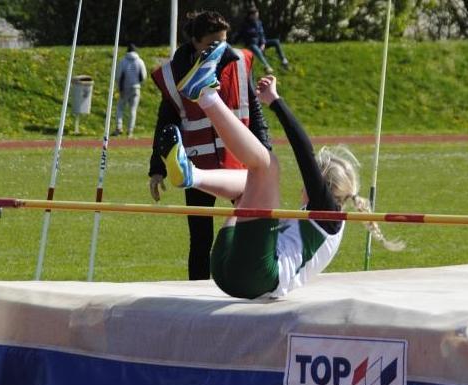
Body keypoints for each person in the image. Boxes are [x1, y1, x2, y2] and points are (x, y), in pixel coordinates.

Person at [158, 43, 404, 299]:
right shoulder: (319, 217)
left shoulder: (329, 213)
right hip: (233, 270)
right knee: (250, 183)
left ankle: (207, 96)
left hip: (253, 274)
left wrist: (276, 102)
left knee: (268, 166)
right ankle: (192, 174)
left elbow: (303, 150)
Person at [148, 11, 272, 281]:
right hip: (195, 165)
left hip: (238, 162)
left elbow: (255, 111)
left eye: (223, 42)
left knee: (252, 226)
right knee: (200, 239)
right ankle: (197, 293)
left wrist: (266, 152)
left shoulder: (239, 61)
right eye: (211, 44)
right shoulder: (172, 74)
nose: (220, 49)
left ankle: (250, 281)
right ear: (194, 41)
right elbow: (165, 123)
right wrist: (156, 168)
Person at [235, 6, 289, 74]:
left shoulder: (259, 22)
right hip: (251, 44)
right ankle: (267, 66)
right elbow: (242, 35)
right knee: (255, 47)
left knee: (276, 41)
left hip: (261, 43)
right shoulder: (245, 24)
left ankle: (283, 60)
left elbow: (262, 33)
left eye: (257, 15)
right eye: (256, 15)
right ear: (251, 16)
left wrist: (263, 43)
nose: (257, 17)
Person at [113, 43, 147, 138]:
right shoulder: (140, 61)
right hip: (136, 88)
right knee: (133, 110)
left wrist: (120, 87)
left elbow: (118, 76)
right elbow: (143, 76)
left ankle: (119, 127)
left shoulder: (123, 61)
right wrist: (137, 83)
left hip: (124, 88)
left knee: (120, 107)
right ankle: (130, 131)